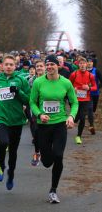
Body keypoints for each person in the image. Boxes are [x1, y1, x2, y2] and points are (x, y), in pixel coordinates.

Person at [30, 54, 78, 203]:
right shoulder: (38, 82)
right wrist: (39, 114)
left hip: (60, 125)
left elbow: (74, 103)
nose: (50, 67)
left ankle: (53, 190)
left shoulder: (66, 83)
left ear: (58, 66)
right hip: (43, 126)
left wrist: (71, 116)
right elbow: (32, 102)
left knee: (58, 156)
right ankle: (42, 156)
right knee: (47, 162)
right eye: (47, 64)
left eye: (52, 64)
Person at [0, 54, 30, 191]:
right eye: (6, 64)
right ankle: (0, 163)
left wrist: (19, 92)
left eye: (11, 64)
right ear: (2, 66)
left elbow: (28, 99)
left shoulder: (21, 80)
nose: (9, 67)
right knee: (3, 142)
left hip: (16, 120)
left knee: (14, 151)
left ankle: (11, 174)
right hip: (1, 118)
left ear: (15, 66)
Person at [69, 57, 97, 144]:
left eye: (84, 63)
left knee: (82, 118)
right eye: (80, 63)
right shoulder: (74, 74)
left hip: (86, 99)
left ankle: (78, 136)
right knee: (76, 117)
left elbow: (95, 87)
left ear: (86, 64)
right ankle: (71, 121)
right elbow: (68, 85)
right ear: (78, 65)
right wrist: (73, 89)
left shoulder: (90, 75)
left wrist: (89, 88)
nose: (82, 65)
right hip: (75, 100)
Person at [30, 60, 46, 166]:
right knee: (35, 131)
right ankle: (37, 152)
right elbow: (28, 92)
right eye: (37, 66)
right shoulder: (31, 80)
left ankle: (46, 150)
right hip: (35, 108)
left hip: (47, 108)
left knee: (46, 131)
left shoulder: (49, 79)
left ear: (45, 67)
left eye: (41, 66)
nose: (39, 68)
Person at [87, 58, 102, 134]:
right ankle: (91, 125)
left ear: (93, 63)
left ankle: (91, 117)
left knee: (93, 109)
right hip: (86, 94)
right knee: (89, 109)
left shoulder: (96, 71)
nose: (89, 63)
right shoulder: (83, 71)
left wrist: (98, 87)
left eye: (90, 62)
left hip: (95, 93)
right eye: (88, 62)